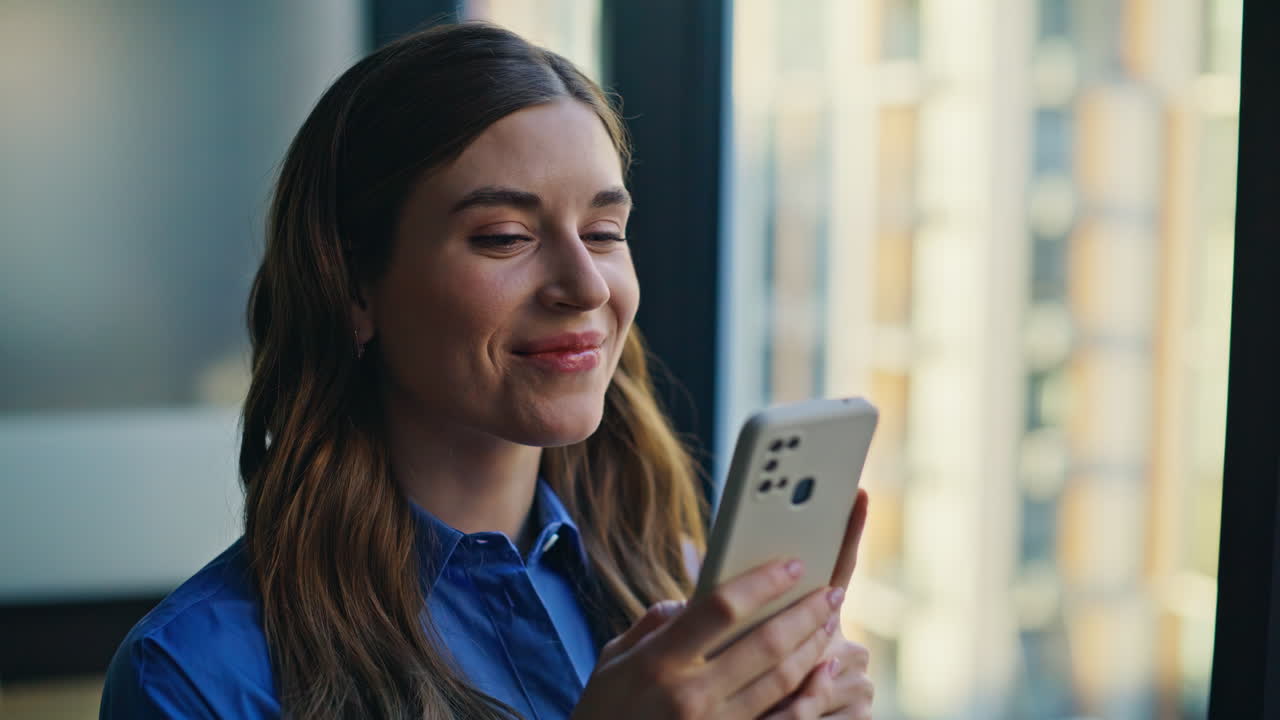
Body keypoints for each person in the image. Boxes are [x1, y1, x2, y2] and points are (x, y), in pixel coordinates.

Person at [100, 22, 874, 720]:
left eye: (604, 231)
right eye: (505, 237)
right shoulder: (195, 680)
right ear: (353, 287)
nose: (586, 286)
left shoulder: (673, 587)